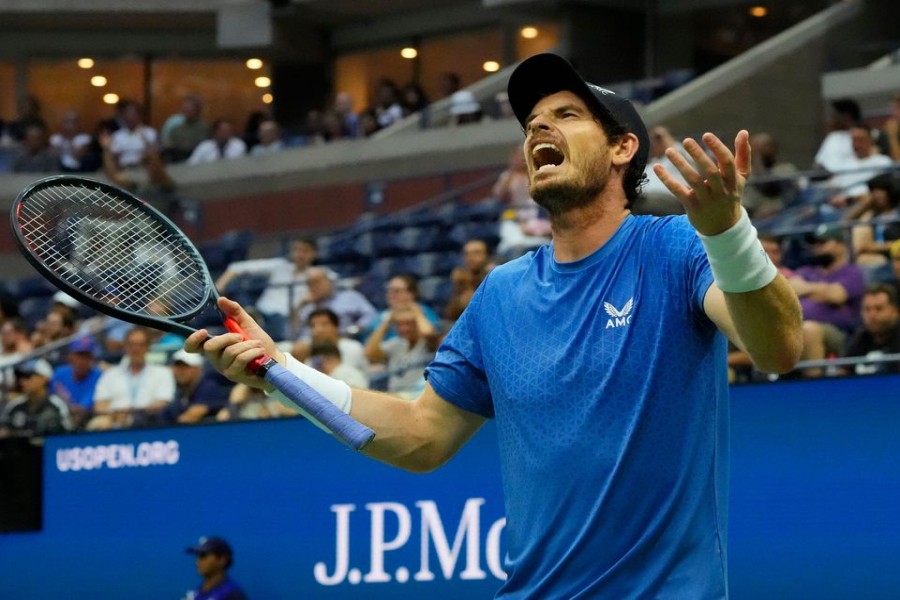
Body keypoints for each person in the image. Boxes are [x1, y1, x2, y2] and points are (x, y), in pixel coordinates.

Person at [186, 53, 802, 598]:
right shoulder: (501, 293)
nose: (539, 126)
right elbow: (422, 437)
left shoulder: (674, 249)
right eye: (533, 121)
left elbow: (778, 348)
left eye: (566, 114)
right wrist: (280, 372)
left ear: (622, 148)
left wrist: (727, 230)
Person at [789, 224, 866, 376]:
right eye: (815, 244)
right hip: (796, 328)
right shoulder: (806, 271)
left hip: (841, 335)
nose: (817, 247)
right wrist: (823, 290)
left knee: (810, 329)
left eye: (823, 243)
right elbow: (790, 290)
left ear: (841, 245)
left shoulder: (852, 272)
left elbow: (837, 295)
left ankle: (812, 385)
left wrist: (806, 289)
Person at [215, 238, 328, 339]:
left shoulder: (318, 274)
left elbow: (335, 285)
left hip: (283, 319)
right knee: (234, 285)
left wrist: (313, 294)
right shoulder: (280, 265)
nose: (300, 254)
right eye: (297, 250)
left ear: (314, 254)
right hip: (260, 312)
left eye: (305, 251)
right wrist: (218, 287)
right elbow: (237, 267)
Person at [86, 327, 175, 430]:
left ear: (148, 347)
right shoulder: (110, 374)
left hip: (149, 421)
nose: (135, 349)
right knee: (98, 423)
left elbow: (162, 403)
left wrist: (133, 413)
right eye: (131, 344)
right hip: (113, 420)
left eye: (140, 345)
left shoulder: (162, 373)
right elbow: (99, 405)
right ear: (125, 347)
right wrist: (116, 414)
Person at [364, 305, 439, 398]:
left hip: (418, 395)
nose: (404, 329)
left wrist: (417, 313)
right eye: (399, 324)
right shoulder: (396, 343)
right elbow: (370, 352)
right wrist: (387, 322)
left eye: (409, 323)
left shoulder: (428, 343)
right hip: (396, 396)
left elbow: (428, 333)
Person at [292, 267, 376, 339]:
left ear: (329, 281)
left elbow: (371, 315)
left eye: (316, 282)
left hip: (343, 340)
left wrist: (353, 330)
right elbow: (294, 334)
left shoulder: (350, 296)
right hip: (312, 346)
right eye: (309, 283)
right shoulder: (307, 306)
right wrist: (300, 305)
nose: (312, 287)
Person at [0, 358, 71, 438]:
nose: (22, 381)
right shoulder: (15, 406)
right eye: (20, 377)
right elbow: (4, 430)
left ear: (44, 378)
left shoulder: (56, 405)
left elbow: (67, 436)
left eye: (28, 376)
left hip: (48, 449)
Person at [290, 308, 369, 374]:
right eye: (313, 326)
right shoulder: (306, 347)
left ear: (336, 327)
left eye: (324, 324)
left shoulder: (352, 347)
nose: (318, 330)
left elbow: (346, 376)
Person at [363, 274, 440, 342]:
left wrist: (416, 312)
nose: (391, 295)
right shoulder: (380, 316)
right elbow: (367, 342)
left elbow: (430, 336)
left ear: (411, 294)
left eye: (396, 291)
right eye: (389, 291)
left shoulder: (424, 312)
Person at [843, 284, 900, 375]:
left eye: (879, 309)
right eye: (867, 309)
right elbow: (843, 373)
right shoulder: (860, 338)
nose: (872, 315)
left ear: (896, 312)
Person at [50, 336, 103, 430]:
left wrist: (67, 402)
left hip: (87, 423)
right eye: (79, 355)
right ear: (70, 357)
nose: (83, 360)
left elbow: (82, 410)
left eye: (87, 356)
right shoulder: (60, 374)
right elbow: (52, 401)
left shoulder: (98, 375)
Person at [163, 350, 226, 424]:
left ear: (197, 369)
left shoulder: (208, 387)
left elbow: (191, 416)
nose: (180, 372)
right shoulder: (179, 391)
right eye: (177, 367)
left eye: (185, 367)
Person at [443, 239, 496, 321]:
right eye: (467, 254)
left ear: (487, 255)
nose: (471, 257)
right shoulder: (462, 278)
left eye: (477, 253)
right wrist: (460, 286)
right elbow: (450, 316)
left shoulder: (495, 276)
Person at [184, 536, 247, 600]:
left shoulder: (232, 595)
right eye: (197, 556)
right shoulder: (195, 594)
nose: (197, 562)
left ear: (222, 560)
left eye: (203, 556)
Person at [108, 100, 157, 169]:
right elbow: (113, 157)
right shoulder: (117, 136)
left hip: (143, 169)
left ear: (140, 116)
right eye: (127, 114)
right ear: (123, 116)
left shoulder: (149, 133)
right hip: (122, 171)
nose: (130, 117)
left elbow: (153, 155)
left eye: (133, 114)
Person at [162, 95, 210, 163]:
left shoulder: (206, 128)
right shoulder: (175, 129)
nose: (187, 111)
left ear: (198, 110)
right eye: (185, 108)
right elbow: (168, 149)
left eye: (190, 108)